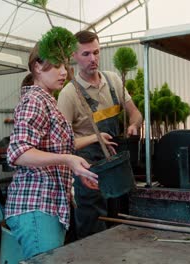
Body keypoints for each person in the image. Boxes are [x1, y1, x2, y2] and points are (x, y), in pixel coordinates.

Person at [5, 42, 116, 259]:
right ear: (38, 66)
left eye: (65, 66)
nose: (64, 72)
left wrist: (89, 147)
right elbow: (18, 152)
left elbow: (61, 145)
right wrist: (68, 160)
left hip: (50, 205)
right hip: (36, 205)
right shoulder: (35, 100)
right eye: (57, 66)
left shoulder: (48, 101)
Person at [57, 30, 143, 239]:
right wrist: (95, 137)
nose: (93, 59)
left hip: (117, 163)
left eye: (96, 52)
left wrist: (134, 125)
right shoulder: (68, 94)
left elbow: (136, 113)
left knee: (122, 219)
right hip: (89, 171)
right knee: (93, 226)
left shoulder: (113, 80)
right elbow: (62, 144)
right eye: (86, 54)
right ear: (74, 56)